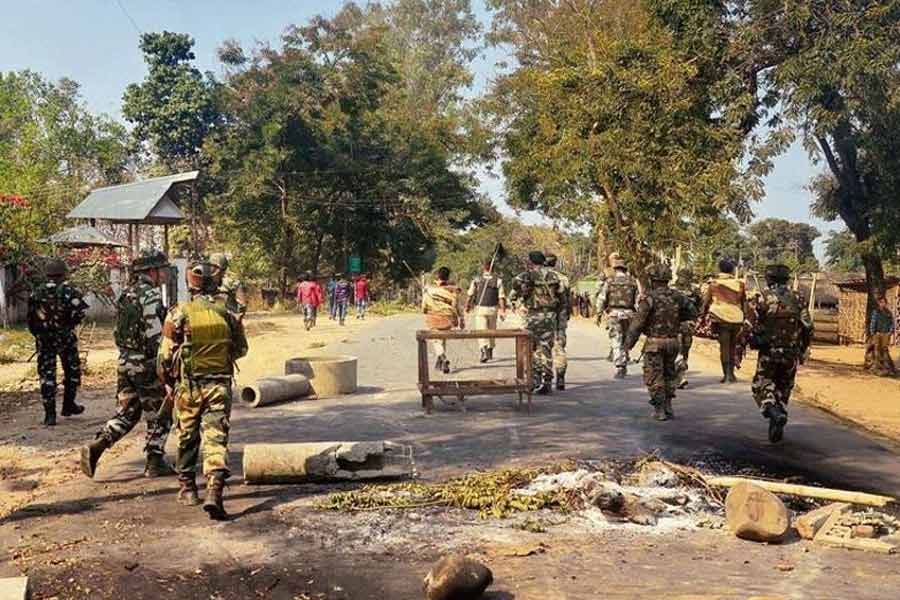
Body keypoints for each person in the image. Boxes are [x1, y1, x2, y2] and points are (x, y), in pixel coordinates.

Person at [157, 258, 248, 519]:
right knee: (216, 438)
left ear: (191, 284)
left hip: (189, 387)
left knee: (187, 435)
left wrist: (167, 382)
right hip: (219, 386)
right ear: (214, 283)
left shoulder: (178, 313)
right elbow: (241, 349)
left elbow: (163, 357)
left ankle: (188, 489)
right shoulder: (228, 313)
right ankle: (214, 491)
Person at [81, 251, 175, 478]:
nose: (164, 274)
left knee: (128, 412)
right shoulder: (150, 294)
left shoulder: (126, 294)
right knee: (160, 411)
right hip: (146, 363)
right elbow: (154, 335)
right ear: (151, 271)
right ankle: (154, 460)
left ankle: (98, 445)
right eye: (162, 270)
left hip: (125, 361)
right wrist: (164, 366)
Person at [749, 264, 813, 443]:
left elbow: (752, 324)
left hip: (769, 351)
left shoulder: (763, 298)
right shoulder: (798, 298)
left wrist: (751, 340)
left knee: (760, 386)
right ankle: (778, 418)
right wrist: (804, 348)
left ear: (769, 279)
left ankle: (773, 412)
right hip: (791, 353)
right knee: (784, 388)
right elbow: (808, 326)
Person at [625, 263, 696, 421]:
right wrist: (677, 320)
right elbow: (692, 312)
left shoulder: (648, 298)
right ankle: (668, 405)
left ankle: (659, 409)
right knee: (669, 374)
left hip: (654, 343)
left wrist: (628, 345)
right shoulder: (678, 296)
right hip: (673, 342)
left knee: (654, 375)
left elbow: (637, 324)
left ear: (652, 279)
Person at [27, 258, 87, 426]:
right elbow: (79, 314)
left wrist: (39, 334)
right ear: (64, 273)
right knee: (72, 371)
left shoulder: (36, 292)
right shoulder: (70, 290)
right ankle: (68, 405)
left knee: (47, 375)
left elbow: (30, 319)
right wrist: (68, 326)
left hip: (44, 339)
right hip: (65, 338)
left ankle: (50, 415)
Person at [509, 251, 564, 395]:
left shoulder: (526, 275)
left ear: (530, 261)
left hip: (533, 316)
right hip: (549, 317)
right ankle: (547, 382)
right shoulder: (554, 277)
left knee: (531, 349)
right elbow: (561, 296)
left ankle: (534, 379)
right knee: (546, 349)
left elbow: (515, 286)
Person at [701, 258, 748, 383]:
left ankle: (727, 375)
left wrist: (702, 316)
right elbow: (744, 303)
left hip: (720, 318)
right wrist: (745, 318)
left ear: (720, 269)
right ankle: (731, 374)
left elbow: (706, 303)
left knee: (725, 347)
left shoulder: (714, 284)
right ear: (732, 270)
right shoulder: (740, 284)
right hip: (737, 319)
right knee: (733, 346)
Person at [597, 253, 638, 378]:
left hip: (614, 314)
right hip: (629, 314)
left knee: (616, 340)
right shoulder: (633, 282)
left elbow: (602, 298)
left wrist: (599, 313)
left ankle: (620, 365)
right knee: (626, 339)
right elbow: (638, 301)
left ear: (615, 269)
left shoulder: (609, 281)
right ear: (625, 269)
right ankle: (624, 360)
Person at [422, 266, 465, 374]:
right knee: (442, 339)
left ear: (437, 276)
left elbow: (424, 307)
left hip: (434, 318)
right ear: (448, 277)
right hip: (448, 319)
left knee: (436, 340)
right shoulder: (453, 291)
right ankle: (440, 361)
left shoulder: (430, 290)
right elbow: (458, 307)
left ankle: (443, 357)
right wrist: (462, 319)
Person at [466, 259, 507, 364]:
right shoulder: (498, 280)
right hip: (493, 309)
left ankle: (483, 349)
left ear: (483, 267)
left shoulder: (476, 279)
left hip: (480, 309)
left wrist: (467, 306)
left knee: (481, 330)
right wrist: (503, 311)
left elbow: (470, 294)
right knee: (492, 330)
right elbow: (501, 297)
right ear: (493, 268)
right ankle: (490, 349)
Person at [672, 268, 703, 389]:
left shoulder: (693, 290)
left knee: (682, 350)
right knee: (679, 350)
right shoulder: (672, 289)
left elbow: (700, 306)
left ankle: (679, 376)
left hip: (682, 325)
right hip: (679, 324)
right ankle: (678, 377)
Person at [544, 253, 571, 390]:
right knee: (559, 347)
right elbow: (568, 300)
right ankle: (560, 377)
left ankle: (547, 380)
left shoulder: (539, 276)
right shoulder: (563, 279)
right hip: (560, 316)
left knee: (545, 348)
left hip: (544, 317)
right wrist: (566, 315)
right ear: (555, 263)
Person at [209, 253, 247, 320]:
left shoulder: (232, 281)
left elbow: (242, 305)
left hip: (215, 320)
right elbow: (242, 305)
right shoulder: (232, 280)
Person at [866, 296, 895, 376]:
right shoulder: (876, 312)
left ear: (886, 303)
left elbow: (892, 323)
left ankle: (886, 368)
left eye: (884, 302)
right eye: (881, 302)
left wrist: (890, 332)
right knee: (877, 350)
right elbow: (873, 322)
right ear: (879, 303)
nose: (883, 304)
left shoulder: (889, 313)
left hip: (886, 334)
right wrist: (873, 332)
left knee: (884, 350)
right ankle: (877, 367)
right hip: (877, 334)